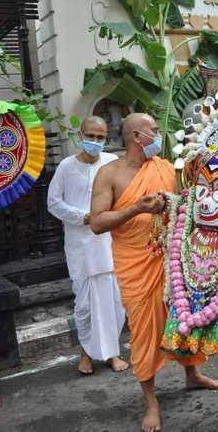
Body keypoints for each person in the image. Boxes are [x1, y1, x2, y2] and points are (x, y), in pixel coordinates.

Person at [89, 113, 218, 432]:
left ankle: (193, 376)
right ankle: (151, 400)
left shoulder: (165, 167)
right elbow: (96, 223)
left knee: (186, 320)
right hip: (136, 264)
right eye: (154, 131)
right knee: (144, 331)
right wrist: (137, 207)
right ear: (137, 136)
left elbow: (189, 201)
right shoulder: (109, 174)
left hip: (174, 258)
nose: (159, 134)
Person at [47, 115, 129, 375]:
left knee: (114, 301)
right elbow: (54, 203)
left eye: (100, 137)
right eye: (91, 136)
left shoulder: (113, 162)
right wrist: (83, 217)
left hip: (109, 242)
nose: (95, 141)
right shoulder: (66, 167)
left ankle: (113, 352)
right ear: (80, 135)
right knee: (84, 305)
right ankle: (86, 353)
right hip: (81, 245)